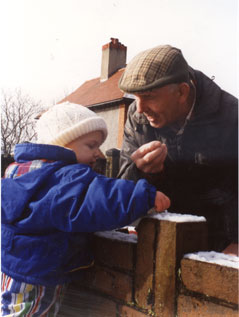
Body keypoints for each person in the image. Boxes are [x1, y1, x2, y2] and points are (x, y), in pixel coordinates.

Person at [1, 102, 170, 316]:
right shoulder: (65, 177)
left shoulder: (20, 169)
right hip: (39, 273)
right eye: (91, 146)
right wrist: (144, 195)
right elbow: (98, 198)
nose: (99, 153)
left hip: (14, 265)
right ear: (61, 144)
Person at [118, 45, 238, 253]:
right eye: (135, 97)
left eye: (148, 96)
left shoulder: (232, 118)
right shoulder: (137, 118)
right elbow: (122, 190)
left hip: (222, 244)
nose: (139, 108)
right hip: (162, 236)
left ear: (182, 92)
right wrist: (139, 171)